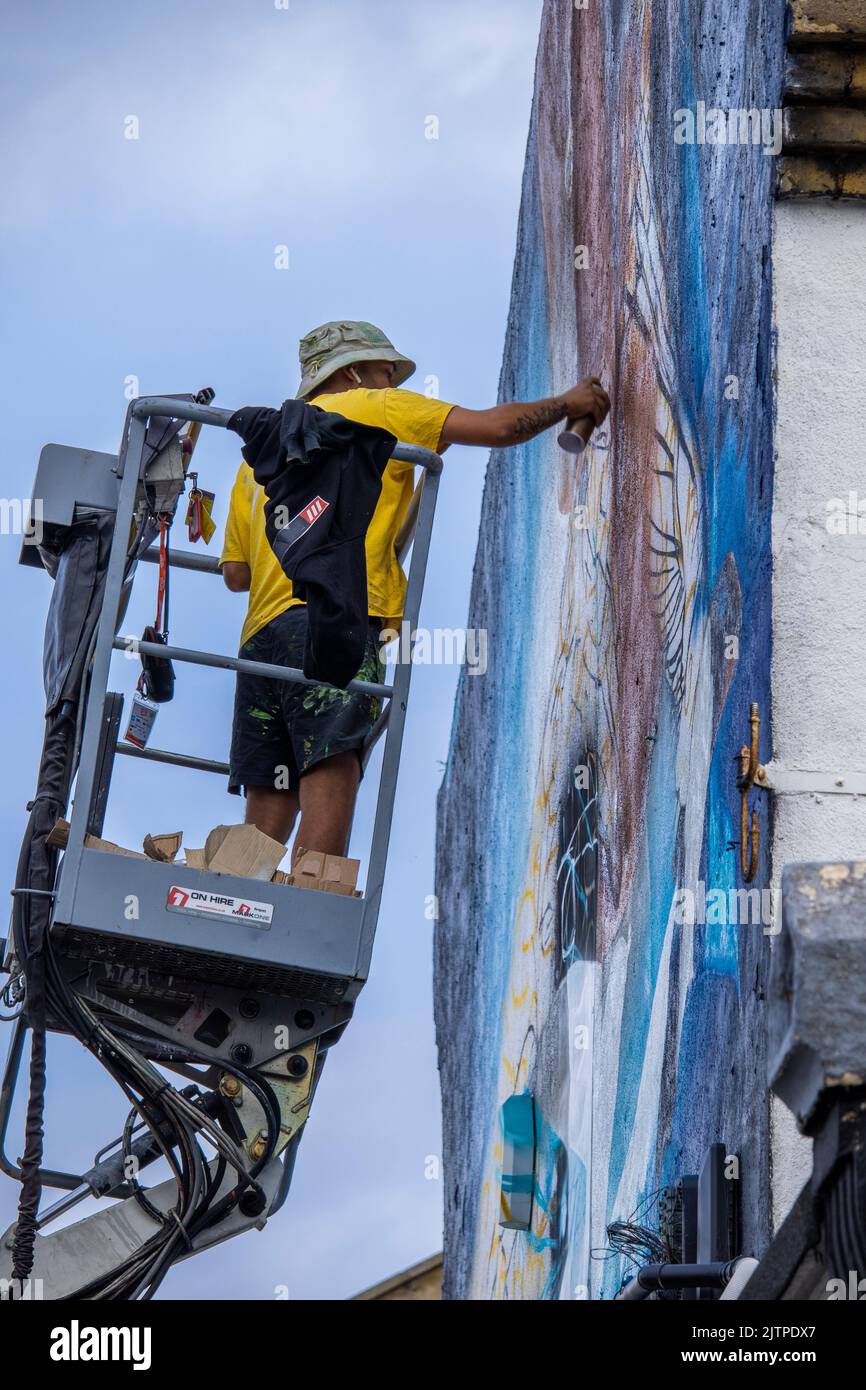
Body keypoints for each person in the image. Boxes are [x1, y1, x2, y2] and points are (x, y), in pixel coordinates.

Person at [220, 320, 610, 862]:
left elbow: (236, 574)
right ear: (353, 372)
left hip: (260, 641)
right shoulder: (376, 407)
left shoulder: (261, 454)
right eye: (385, 369)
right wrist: (568, 401)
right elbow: (498, 428)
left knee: (268, 813)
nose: (392, 378)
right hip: (333, 624)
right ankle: (310, 905)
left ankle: (230, 922)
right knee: (330, 782)